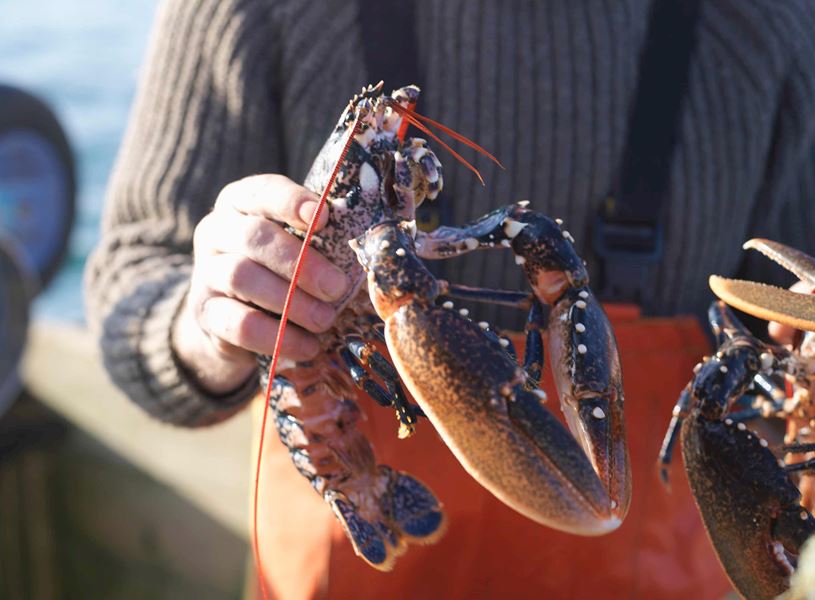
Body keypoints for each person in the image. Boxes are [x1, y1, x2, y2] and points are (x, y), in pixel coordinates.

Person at [85, 0, 815, 598]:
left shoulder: (774, 22)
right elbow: (132, 279)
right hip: (353, 544)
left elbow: (788, 303)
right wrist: (205, 325)